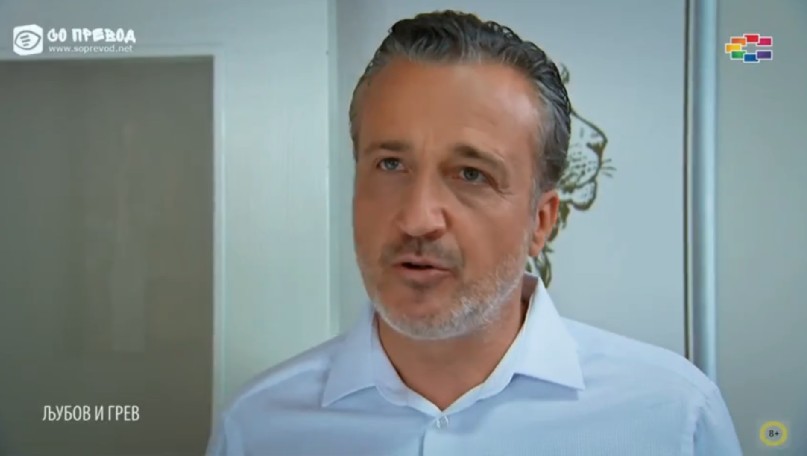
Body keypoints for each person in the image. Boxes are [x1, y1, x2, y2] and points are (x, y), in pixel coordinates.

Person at [206, 10, 742, 455]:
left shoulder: (673, 419)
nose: (418, 218)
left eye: (471, 174)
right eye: (390, 164)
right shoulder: (258, 429)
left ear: (540, 222)